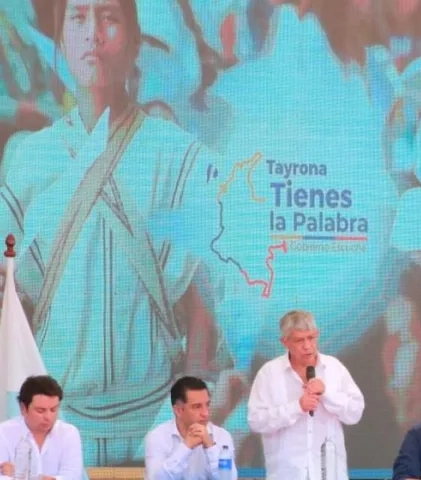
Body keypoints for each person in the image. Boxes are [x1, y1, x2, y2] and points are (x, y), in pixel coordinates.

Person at [0, 0, 243, 464]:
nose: (93, 34)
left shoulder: (177, 157)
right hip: (57, 427)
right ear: (61, 45)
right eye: (78, 18)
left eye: (109, 18)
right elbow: (13, 304)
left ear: (134, 41)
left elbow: (204, 306)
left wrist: (187, 415)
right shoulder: (31, 158)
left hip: (154, 424)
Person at [247, 310, 365, 480]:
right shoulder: (269, 374)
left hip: (329, 473)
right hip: (287, 473)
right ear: (285, 342)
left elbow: (355, 413)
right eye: (299, 340)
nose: (307, 346)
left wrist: (327, 393)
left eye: (311, 338)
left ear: (317, 335)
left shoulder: (334, 368)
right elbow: (256, 421)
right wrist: (297, 407)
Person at [144, 376, 238, 480]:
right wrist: (186, 447)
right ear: (178, 411)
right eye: (197, 407)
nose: (205, 413)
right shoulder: (158, 436)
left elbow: (228, 478)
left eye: (207, 405)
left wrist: (210, 447)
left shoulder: (222, 436)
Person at [0, 375, 83, 480]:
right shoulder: (3, 433)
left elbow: (72, 476)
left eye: (53, 410)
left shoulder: (69, 433)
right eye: (40, 411)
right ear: (23, 408)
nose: (48, 417)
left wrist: (21, 475)